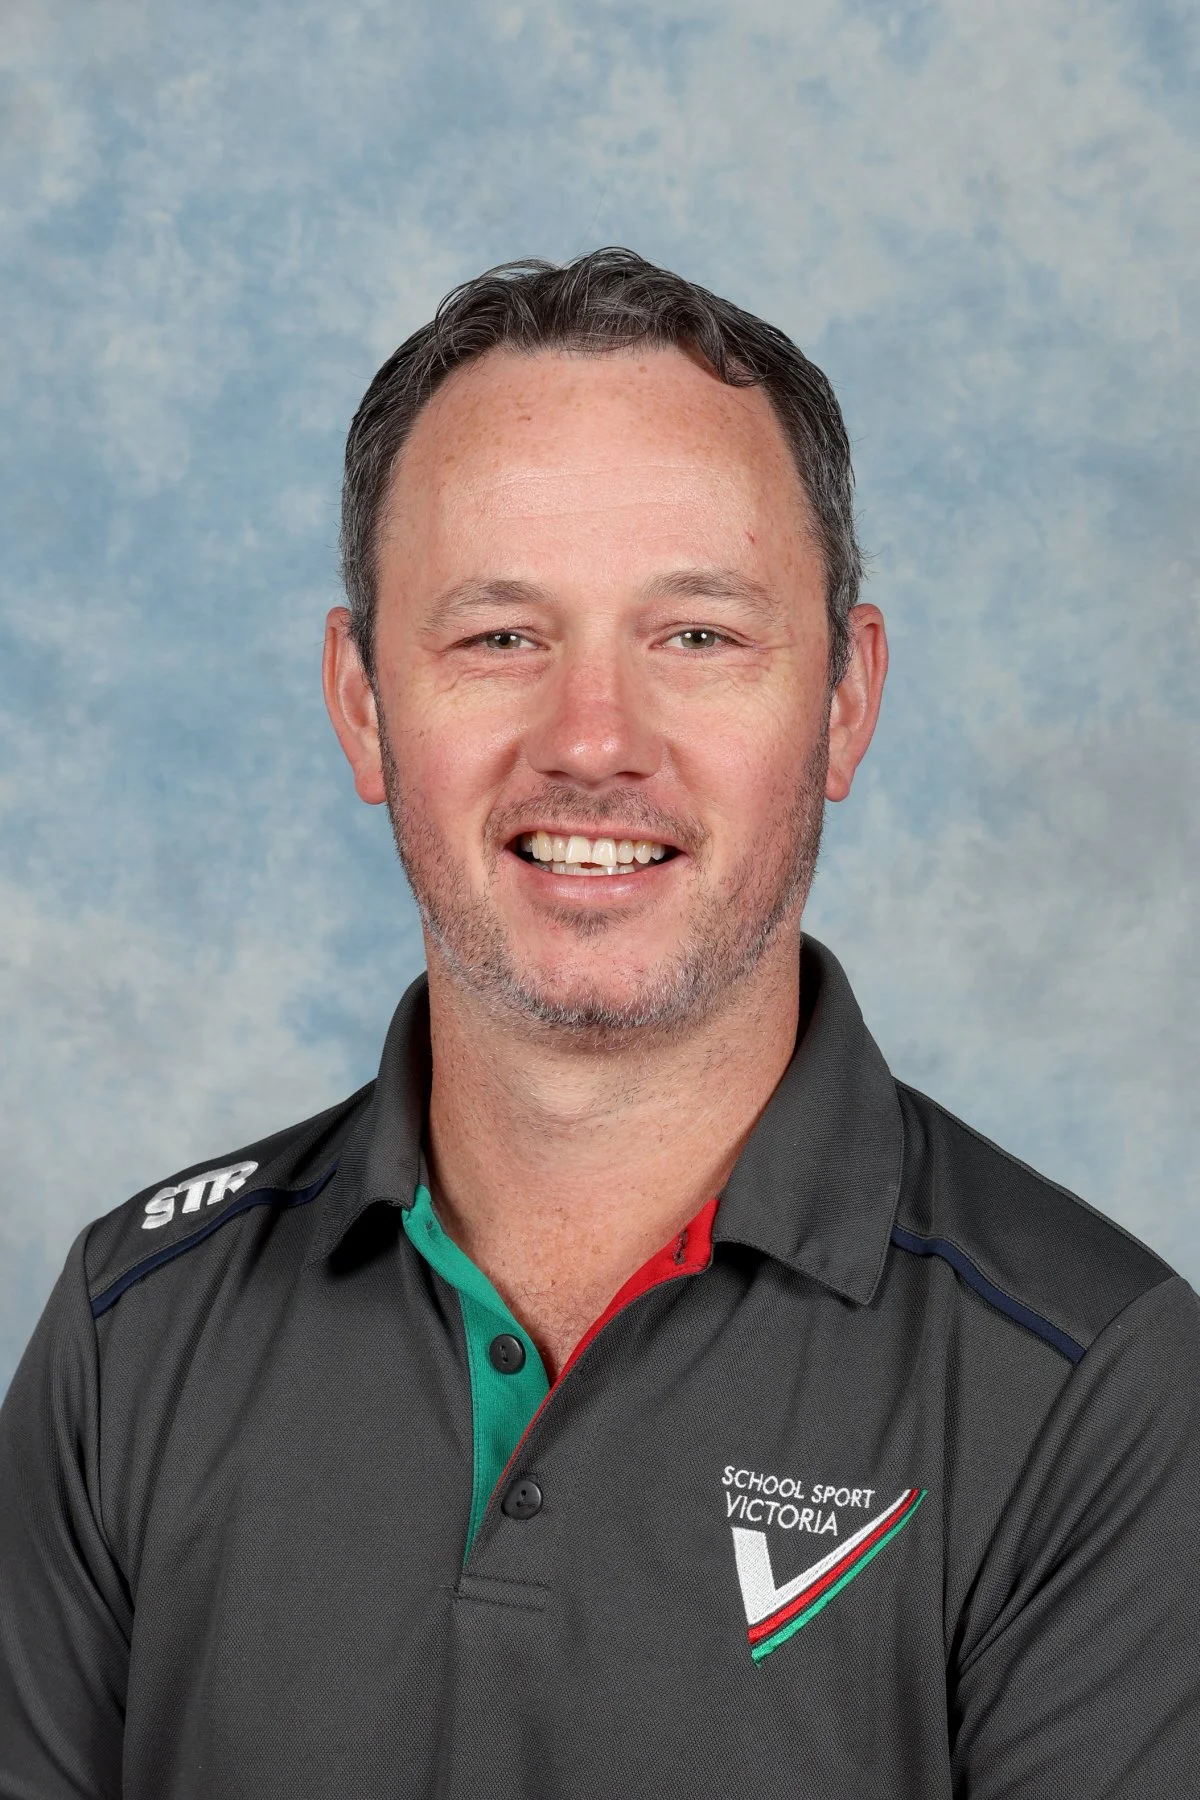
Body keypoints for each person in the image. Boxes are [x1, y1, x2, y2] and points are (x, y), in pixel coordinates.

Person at [1, 249, 1196, 1799]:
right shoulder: (133, 1330)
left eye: (696, 635)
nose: (593, 741)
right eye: (500, 635)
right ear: (364, 705)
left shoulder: (1097, 1395)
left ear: (845, 702)